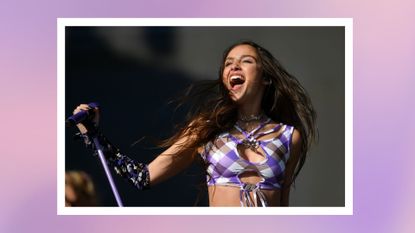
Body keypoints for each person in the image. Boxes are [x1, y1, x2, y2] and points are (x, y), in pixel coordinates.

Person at [72, 41, 317, 207]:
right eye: (228, 62)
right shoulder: (207, 130)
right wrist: (93, 135)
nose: (234, 66)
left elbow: (284, 205)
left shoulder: (288, 136)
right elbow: (143, 177)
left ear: (265, 78)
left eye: (246, 61)